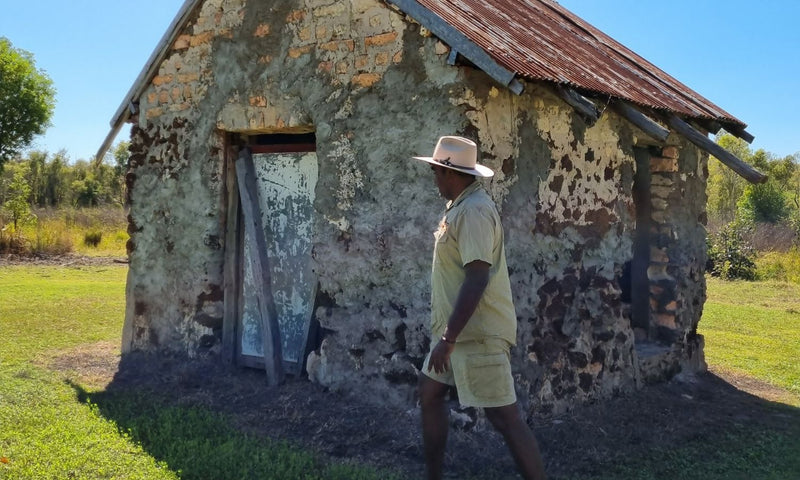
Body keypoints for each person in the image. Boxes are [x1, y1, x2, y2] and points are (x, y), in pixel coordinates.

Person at [411, 136, 546, 480]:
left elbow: (477, 277)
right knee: (429, 393)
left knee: (505, 418)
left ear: (450, 173)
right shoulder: (460, 207)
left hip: (475, 336)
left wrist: (448, 338)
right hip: (456, 335)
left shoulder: (473, 211)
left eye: (436, 171)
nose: (434, 177)